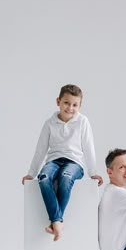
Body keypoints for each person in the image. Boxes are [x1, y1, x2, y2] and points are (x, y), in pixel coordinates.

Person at [22, 84, 103, 241]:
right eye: (66, 103)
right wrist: (31, 173)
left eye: (75, 105)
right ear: (58, 101)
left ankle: (56, 221)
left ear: (80, 106)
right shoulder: (49, 123)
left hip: (75, 163)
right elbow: (41, 150)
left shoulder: (83, 122)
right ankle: (57, 220)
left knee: (66, 177)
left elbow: (88, 147)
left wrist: (93, 173)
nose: (70, 108)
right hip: (54, 160)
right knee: (44, 178)